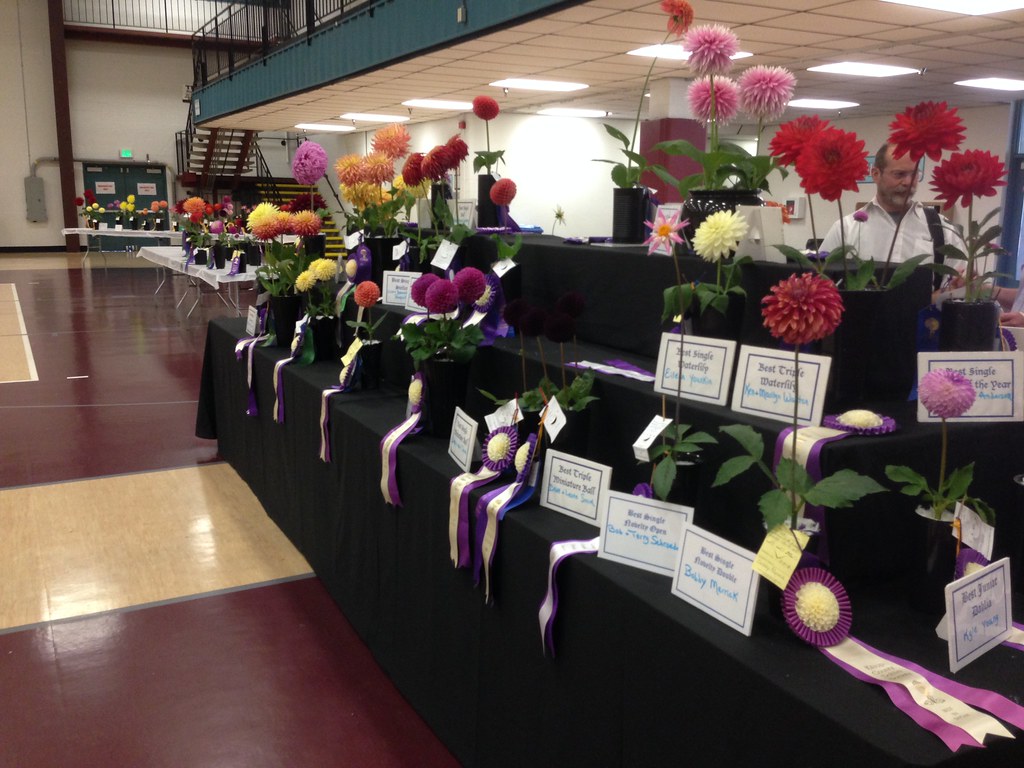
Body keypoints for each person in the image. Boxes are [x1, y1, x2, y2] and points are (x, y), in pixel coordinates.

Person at [820, 142, 957, 265]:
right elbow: (823, 281)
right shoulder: (847, 229)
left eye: (914, 174)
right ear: (875, 174)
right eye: (899, 174)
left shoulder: (942, 228)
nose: (908, 182)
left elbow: (958, 284)